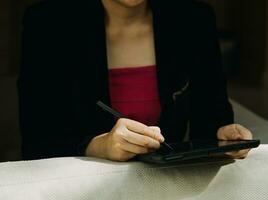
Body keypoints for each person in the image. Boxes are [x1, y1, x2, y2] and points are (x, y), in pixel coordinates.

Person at [19, 0, 252, 161]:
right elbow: (36, 142)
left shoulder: (194, 20)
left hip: (169, 184)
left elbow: (212, 117)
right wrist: (98, 146)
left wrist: (225, 137)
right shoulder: (47, 24)